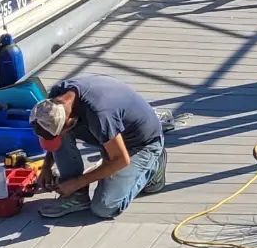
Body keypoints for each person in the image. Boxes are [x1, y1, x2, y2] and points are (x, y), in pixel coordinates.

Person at [30, 75, 167, 220]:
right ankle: (77, 197)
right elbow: (53, 137)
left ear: (70, 121)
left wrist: (77, 182)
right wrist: (46, 168)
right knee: (62, 135)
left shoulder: (100, 114)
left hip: (141, 144)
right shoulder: (53, 103)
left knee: (104, 207)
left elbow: (121, 159)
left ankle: (155, 166)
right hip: (112, 133)